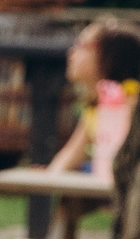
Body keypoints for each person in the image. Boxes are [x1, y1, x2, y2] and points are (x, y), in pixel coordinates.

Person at [48, 20, 140, 176]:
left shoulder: (131, 104)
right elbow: (66, 160)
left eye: (82, 45)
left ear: (111, 57)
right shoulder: (96, 109)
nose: (72, 52)